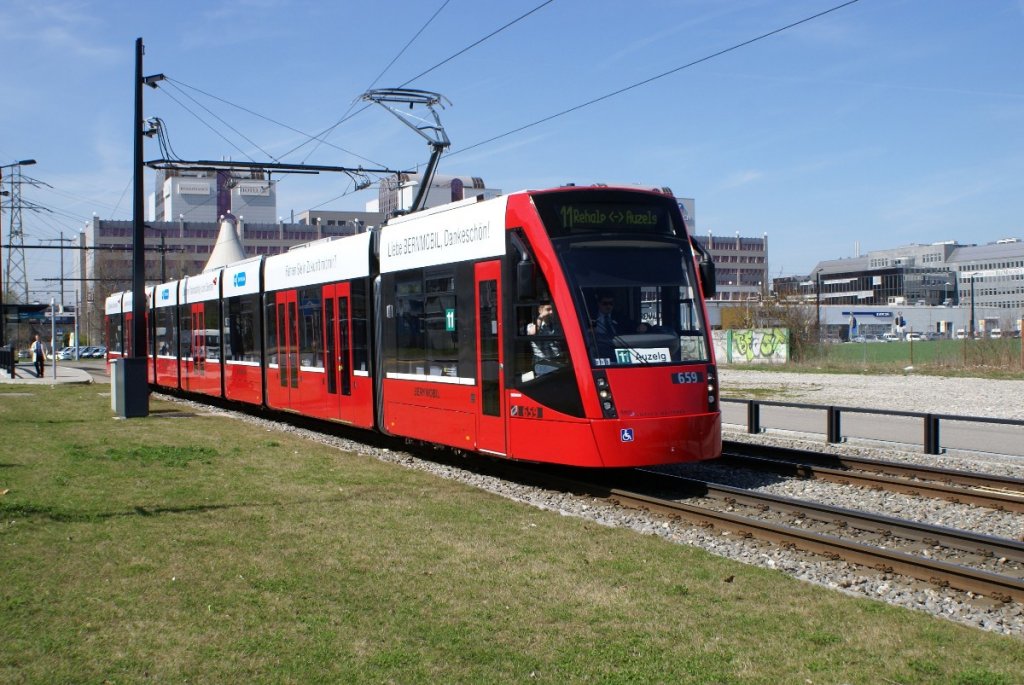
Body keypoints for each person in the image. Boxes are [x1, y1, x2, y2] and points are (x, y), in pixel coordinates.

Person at [526, 302, 562, 375]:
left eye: (552, 309)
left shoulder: (557, 325)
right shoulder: (531, 325)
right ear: (540, 310)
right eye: (548, 309)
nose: (551, 312)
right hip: (542, 363)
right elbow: (533, 332)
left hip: (557, 361)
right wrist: (540, 317)